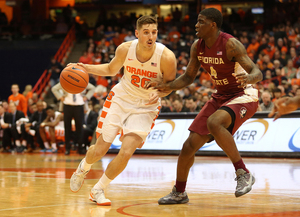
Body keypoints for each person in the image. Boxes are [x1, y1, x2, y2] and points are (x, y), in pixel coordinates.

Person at [146, 8, 263, 204]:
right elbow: (189, 77)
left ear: (213, 25)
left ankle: (243, 173)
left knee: (214, 122)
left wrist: (250, 77)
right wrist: (166, 86)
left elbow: (257, 72)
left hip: (244, 94)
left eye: (201, 22)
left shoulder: (230, 44)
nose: (196, 25)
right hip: (221, 96)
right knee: (187, 147)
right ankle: (179, 192)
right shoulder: (197, 46)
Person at [69, 15, 176, 205]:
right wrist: (85, 68)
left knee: (126, 152)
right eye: (146, 32)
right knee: (100, 149)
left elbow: (171, 85)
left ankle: (98, 189)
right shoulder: (126, 49)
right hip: (121, 99)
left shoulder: (166, 57)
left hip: (146, 107)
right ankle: (83, 167)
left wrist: (160, 94)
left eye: (154, 32)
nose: (151, 36)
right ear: (137, 34)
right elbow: (111, 69)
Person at [52, 82, 95, 155]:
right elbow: (54, 88)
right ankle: (67, 148)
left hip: (79, 105)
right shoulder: (66, 80)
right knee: (67, 127)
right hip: (67, 105)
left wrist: (86, 97)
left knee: (80, 128)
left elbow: (92, 88)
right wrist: (60, 97)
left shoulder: (82, 80)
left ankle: (80, 148)